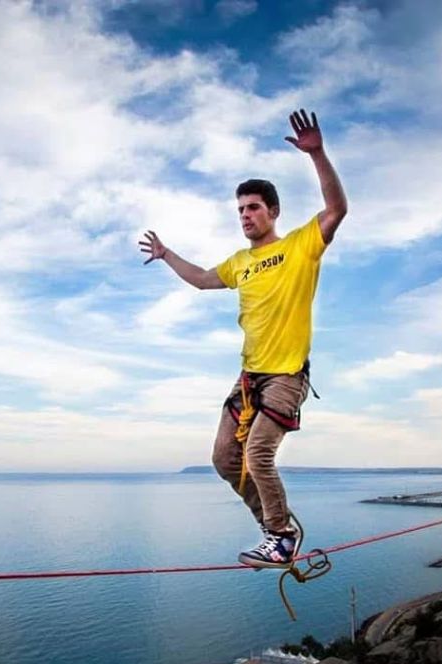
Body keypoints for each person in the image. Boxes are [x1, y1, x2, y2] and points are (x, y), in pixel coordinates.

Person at [139, 109, 347, 568]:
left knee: (258, 452)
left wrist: (317, 154)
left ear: (272, 211)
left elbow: (336, 210)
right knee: (223, 459)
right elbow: (200, 279)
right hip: (249, 377)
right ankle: (277, 531)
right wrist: (167, 253)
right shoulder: (240, 262)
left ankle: (280, 537)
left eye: (253, 207)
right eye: (240, 210)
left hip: (286, 375)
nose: (246, 216)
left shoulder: (298, 246)